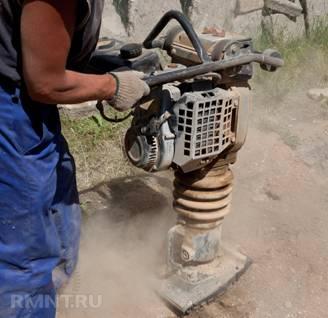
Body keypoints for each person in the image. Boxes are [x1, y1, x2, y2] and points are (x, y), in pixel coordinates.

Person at [0, 0, 150, 317]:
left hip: (26, 103)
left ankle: (52, 292)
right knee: (25, 247)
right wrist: (112, 85)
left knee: (58, 197)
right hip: (10, 108)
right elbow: (45, 82)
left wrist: (90, 62)